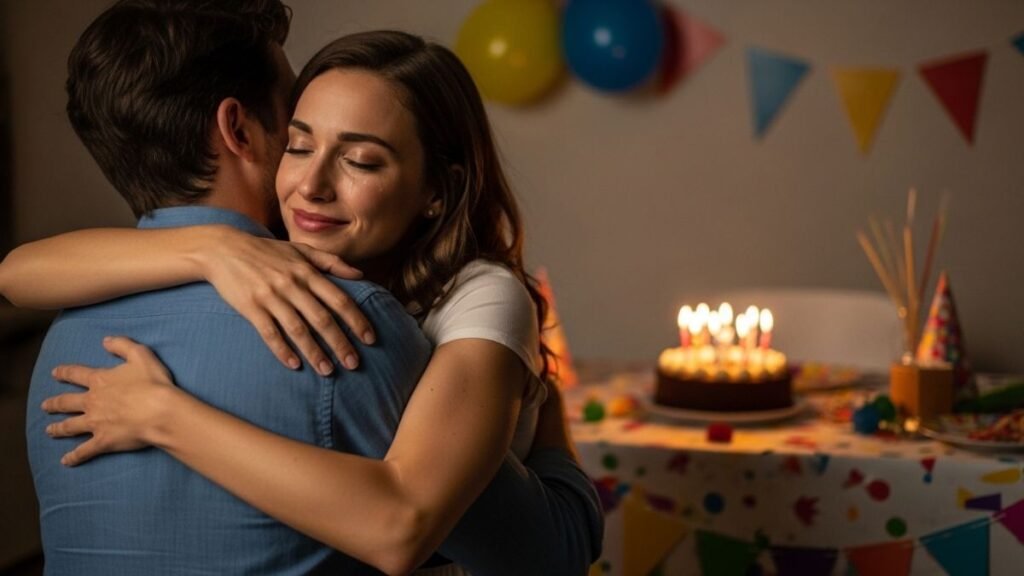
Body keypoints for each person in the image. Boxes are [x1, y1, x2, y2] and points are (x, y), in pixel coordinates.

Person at [1, 3, 602, 576]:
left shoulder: (71, 335)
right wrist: (215, 248)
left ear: (437, 189)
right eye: (297, 141)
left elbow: (445, 531)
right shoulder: (317, 299)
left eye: (361, 160)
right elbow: (12, 273)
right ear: (241, 129)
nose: (310, 185)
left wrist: (163, 413)